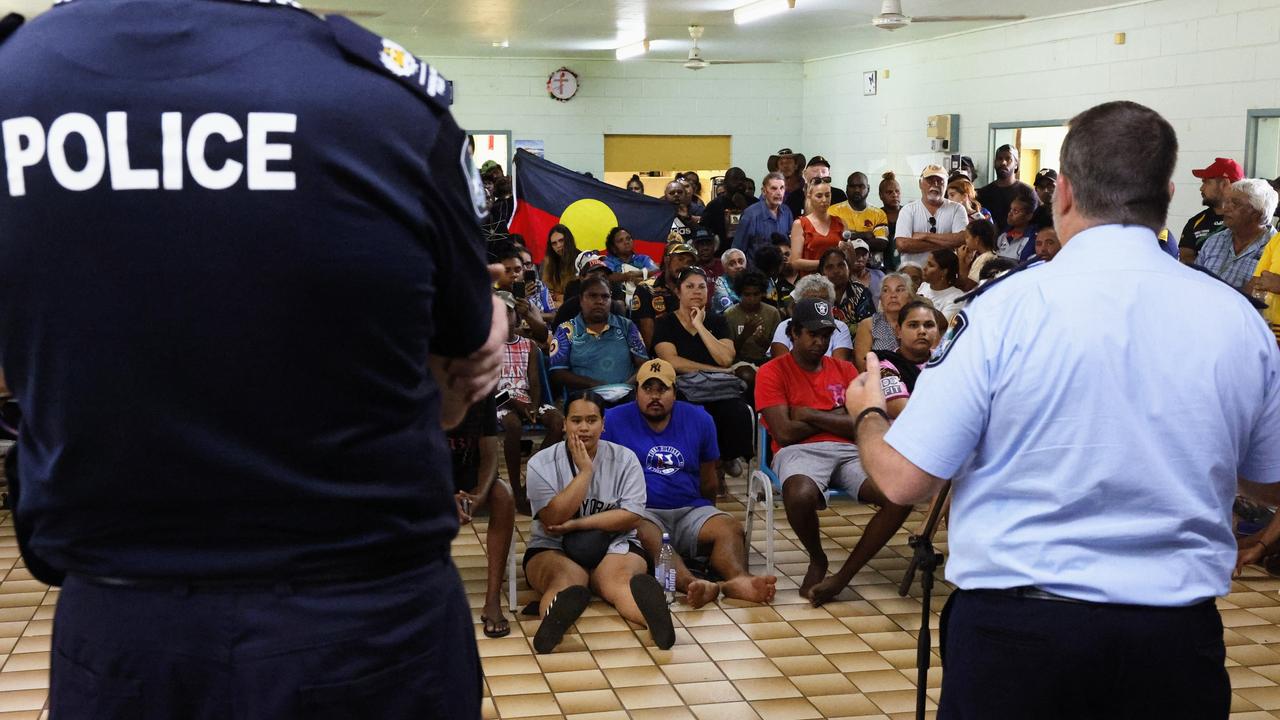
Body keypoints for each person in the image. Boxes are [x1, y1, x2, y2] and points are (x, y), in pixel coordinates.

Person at [0, 3, 507, 716]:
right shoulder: (381, 99)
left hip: (126, 634)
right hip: (364, 632)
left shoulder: (13, 84)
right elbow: (464, 374)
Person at [843, 100, 1280, 718]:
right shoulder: (1235, 318)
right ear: (1169, 194)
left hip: (1023, 636)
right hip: (1171, 642)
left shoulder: (1002, 310)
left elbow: (903, 479)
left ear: (1065, 192)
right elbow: (1270, 480)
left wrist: (867, 414)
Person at [755, 299, 912, 605]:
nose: (820, 341)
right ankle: (817, 558)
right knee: (800, 494)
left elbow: (865, 424)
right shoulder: (772, 371)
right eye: (812, 334)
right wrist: (837, 415)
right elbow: (785, 433)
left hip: (851, 451)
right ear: (793, 333)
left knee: (899, 493)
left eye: (826, 334)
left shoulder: (843, 368)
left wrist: (809, 414)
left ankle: (843, 578)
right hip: (799, 451)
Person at [602, 360, 777, 607]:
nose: (654, 396)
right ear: (636, 392)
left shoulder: (700, 418)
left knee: (729, 528)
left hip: (690, 508)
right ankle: (690, 583)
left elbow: (709, 478)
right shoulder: (613, 420)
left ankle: (739, 580)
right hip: (642, 511)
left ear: (675, 391)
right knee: (650, 535)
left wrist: (709, 512)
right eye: (647, 389)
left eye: (662, 389)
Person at [524, 392, 675, 654]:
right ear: (564, 424)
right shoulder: (541, 463)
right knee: (563, 582)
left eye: (592, 420)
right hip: (553, 545)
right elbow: (552, 518)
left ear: (604, 424)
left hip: (615, 542)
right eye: (576, 420)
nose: (584, 427)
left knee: (619, 583)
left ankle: (656, 620)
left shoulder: (625, 459)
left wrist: (578, 525)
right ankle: (553, 622)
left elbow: (631, 515)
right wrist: (585, 473)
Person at [651, 267, 754, 483]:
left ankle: (724, 459)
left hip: (718, 387)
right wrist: (719, 371)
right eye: (690, 286)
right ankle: (703, 470)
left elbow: (726, 358)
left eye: (701, 287)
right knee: (694, 413)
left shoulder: (717, 321)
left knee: (736, 410)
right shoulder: (665, 323)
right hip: (684, 387)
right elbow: (672, 361)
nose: (697, 291)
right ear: (678, 292)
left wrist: (700, 325)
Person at [447, 395, 516, 639]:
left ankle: (492, 600)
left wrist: (479, 495)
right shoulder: (419, 385)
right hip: (427, 477)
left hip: (470, 476)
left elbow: (489, 454)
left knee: (503, 496)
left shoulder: (482, 391)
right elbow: (412, 459)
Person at [496, 292, 565, 513]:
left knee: (557, 422)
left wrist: (534, 406)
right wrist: (515, 402)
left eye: (508, 313)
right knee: (513, 425)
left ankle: (531, 481)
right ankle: (515, 488)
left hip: (525, 399)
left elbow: (535, 382)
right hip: (497, 400)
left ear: (516, 317)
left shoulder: (528, 346)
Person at [549, 275, 649, 395]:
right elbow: (558, 373)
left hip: (626, 397)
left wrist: (624, 388)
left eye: (605, 296)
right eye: (593, 296)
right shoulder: (566, 330)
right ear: (581, 300)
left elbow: (643, 365)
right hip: (584, 400)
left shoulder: (626, 326)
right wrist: (593, 385)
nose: (600, 301)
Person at [1196, 178, 1278, 291]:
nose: (1225, 209)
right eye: (1227, 202)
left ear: (1257, 213)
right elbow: (1194, 280)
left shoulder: (1275, 249)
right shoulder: (1214, 241)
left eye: (1235, 203)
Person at [875, 301, 944, 419]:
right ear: (898, 331)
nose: (922, 331)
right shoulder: (885, 366)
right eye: (913, 325)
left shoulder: (946, 360)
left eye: (929, 325)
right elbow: (904, 412)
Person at [894, 164, 968, 268]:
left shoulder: (957, 209)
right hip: (913, 276)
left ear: (946, 184)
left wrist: (925, 236)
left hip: (945, 276)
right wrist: (948, 243)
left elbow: (962, 239)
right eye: (930, 180)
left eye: (940, 180)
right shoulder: (908, 210)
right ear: (920, 183)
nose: (935, 184)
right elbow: (902, 244)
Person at [770, 275, 855, 362]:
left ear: (831, 304)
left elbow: (839, 366)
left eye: (822, 300)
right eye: (811, 300)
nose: (816, 305)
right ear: (799, 303)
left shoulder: (839, 327)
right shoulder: (785, 326)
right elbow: (782, 365)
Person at [631, 242, 699, 348]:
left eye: (689, 262)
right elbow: (648, 338)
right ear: (667, 260)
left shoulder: (693, 290)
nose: (684, 266)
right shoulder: (646, 288)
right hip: (659, 354)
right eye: (680, 259)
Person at [1179, 158, 1242, 265]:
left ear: (1224, 184)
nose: (1201, 188)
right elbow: (1185, 259)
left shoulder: (1248, 220)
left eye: (1206, 182)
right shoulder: (1195, 222)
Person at [853, 273, 915, 372]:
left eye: (899, 290)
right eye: (886, 290)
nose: (893, 295)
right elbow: (862, 366)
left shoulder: (919, 322)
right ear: (881, 298)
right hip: (879, 380)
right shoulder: (868, 324)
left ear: (909, 296)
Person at [829, 171, 890, 266]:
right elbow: (832, 241)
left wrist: (849, 238)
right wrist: (865, 234)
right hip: (841, 265)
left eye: (861, 186)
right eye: (852, 186)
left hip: (871, 267)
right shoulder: (833, 211)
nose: (857, 190)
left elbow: (882, 243)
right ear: (846, 189)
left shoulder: (879, 214)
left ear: (868, 188)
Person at [726, 272, 782, 367]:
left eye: (756, 294)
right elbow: (728, 352)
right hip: (740, 362)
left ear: (763, 293)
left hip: (767, 361)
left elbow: (778, 350)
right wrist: (744, 335)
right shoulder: (729, 315)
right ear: (739, 294)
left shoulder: (773, 313)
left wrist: (762, 341)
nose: (752, 299)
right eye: (747, 295)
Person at [734, 172, 794, 261]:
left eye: (782, 188)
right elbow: (738, 249)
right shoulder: (750, 214)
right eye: (774, 188)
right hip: (756, 272)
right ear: (764, 191)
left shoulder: (786, 212)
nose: (779, 193)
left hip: (780, 271)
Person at [976, 143, 1036, 233]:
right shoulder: (983, 193)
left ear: (1016, 164)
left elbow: (1034, 224)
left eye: (1009, 159)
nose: (1003, 162)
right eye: (999, 159)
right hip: (989, 244)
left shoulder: (1027, 192)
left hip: (1018, 243)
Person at [790, 177, 845, 273]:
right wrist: (826, 264)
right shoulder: (800, 224)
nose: (824, 200)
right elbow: (795, 262)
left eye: (827, 195)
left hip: (837, 279)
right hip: (811, 281)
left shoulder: (840, 222)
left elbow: (848, 258)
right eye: (819, 196)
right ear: (809, 196)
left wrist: (850, 251)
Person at [818, 248, 875, 326]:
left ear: (849, 268)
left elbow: (869, 326)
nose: (836, 271)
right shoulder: (816, 294)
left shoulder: (861, 292)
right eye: (830, 267)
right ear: (822, 272)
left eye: (841, 265)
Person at [994, 185, 1041, 261]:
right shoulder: (1003, 235)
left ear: (1029, 216)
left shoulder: (1033, 238)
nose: (1010, 214)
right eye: (1011, 210)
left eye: (1016, 211)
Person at [916, 250, 965, 320]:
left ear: (944, 272)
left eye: (931, 265)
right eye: (926, 263)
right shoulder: (924, 286)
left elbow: (942, 324)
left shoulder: (957, 297)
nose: (924, 268)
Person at [542, 224, 580, 305]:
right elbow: (547, 293)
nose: (558, 246)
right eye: (554, 243)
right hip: (555, 307)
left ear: (568, 240)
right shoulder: (549, 262)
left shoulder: (581, 259)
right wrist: (558, 297)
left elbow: (579, 295)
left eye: (561, 240)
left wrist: (560, 297)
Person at [957, 218, 999, 288]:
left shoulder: (984, 258)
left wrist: (961, 260)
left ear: (977, 240)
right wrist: (966, 264)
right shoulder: (990, 255)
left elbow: (967, 286)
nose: (965, 240)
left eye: (967, 237)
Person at [879, 171, 904, 268]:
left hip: (904, 264)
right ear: (881, 195)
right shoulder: (877, 215)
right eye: (889, 192)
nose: (894, 195)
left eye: (897, 191)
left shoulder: (908, 213)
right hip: (882, 265)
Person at [711, 248, 748, 312]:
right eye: (732, 264)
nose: (738, 266)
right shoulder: (720, 282)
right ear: (725, 269)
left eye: (740, 262)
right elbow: (729, 310)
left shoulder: (753, 279)